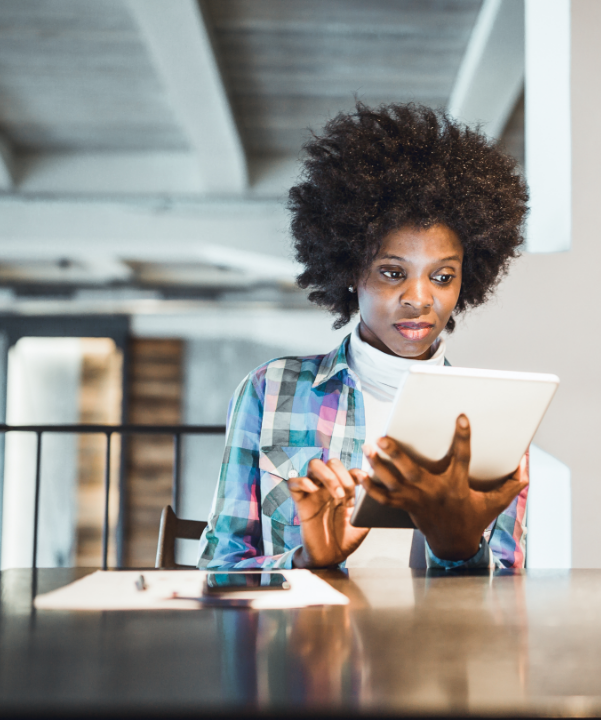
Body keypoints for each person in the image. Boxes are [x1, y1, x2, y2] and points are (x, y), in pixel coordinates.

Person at [195, 102, 530, 570]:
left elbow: (509, 591)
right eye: (393, 272)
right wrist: (307, 562)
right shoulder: (270, 390)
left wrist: (460, 551)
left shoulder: (494, 417)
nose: (419, 299)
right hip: (310, 622)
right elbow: (219, 569)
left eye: (442, 277)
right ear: (351, 270)